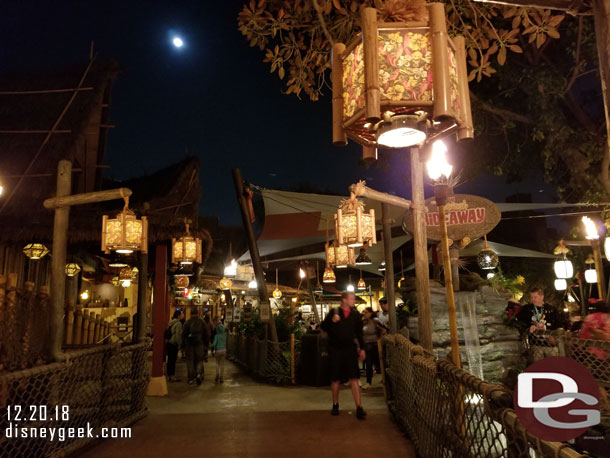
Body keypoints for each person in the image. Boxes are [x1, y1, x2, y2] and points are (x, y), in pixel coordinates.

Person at [320, 291, 367, 419]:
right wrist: (332, 321)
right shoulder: (334, 312)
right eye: (351, 298)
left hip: (350, 349)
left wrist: (362, 348)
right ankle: (335, 404)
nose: (354, 300)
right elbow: (323, 326)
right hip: (335, 349)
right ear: (344, 300)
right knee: (335, 378)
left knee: (354, 377)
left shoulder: (356, 315)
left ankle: (359, 406)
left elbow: (359, 333)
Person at [515, 287, 567, 362]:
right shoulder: (526, 309)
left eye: (535, 297)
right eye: (532, 297)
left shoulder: (552, 309)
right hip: (535, 345)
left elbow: (559, 325)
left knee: (554, 366)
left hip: (550, 345)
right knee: (538, 368)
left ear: (542, 297)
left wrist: (554, 337)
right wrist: (529, 326)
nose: (533, 299)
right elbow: (520, 322)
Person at [182, 307, 209, 385]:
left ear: (190, 314)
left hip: (189, 345)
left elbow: (183, 334)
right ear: (198, 313)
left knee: (190, 361)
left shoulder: (187, 322)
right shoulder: (202, 322)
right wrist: (206, 345)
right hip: (199, 344)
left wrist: (183, 345)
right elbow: (206, 334)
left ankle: (191, 378)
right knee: (199, 360)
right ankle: (198, 374)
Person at [361, 307, 384, 389]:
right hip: (366, 346)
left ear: (371, 313)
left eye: (366, 312)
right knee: (368, 364)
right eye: (364, 312)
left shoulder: (375, 321)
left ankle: (385, 379)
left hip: (375, 345)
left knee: (379, 364)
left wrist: (380, 340)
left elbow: (383, 329)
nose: (365, 313)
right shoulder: (363, 322)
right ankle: (368, 382)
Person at [166, 310, 183, 382]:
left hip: (169, 342)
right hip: (174, 343)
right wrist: (180, 344)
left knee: (170, 360)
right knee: (173, 360)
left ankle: (169, 375)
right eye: (182, 314)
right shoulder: (178, 323)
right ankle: (172, 376)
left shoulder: (171, 322)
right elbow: (178, 335)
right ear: (178, 315)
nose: (183, 315)